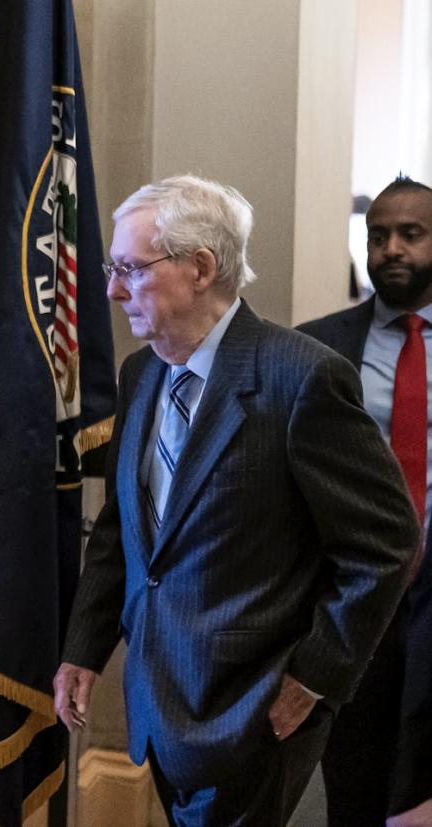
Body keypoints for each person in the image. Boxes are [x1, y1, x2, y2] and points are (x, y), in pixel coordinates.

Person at [54, 174, 420, 826]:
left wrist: (315, 677)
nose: (112, 289)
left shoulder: (301, 378)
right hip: (160, 704)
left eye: (130, 269)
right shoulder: (142, 373)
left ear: (200, 267)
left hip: (254, 711)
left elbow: (384, 543)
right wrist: (85, 647)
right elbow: (124, 530)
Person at [298, 175, 432, 827]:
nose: (391, 249)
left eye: (411, 234)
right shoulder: (317, 347)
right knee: (353, 777)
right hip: (353, 601)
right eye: (378, 235)